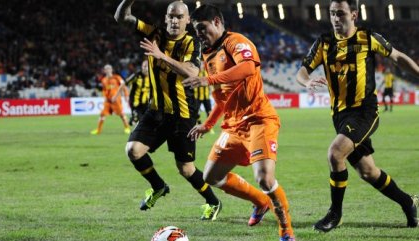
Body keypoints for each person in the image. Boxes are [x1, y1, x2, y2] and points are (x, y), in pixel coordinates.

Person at [296, 0, 418, 233]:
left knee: (335, 153)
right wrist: (307, 81)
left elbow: (398, 57)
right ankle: (408, 202)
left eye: (340, 13)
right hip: (340, 116)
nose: (335, 18)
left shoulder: (368, 37)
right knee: (368, 172)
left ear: (353, 14)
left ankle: (335, 214)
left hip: (364, 111)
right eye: (332, 14)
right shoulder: (323, 42)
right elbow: (302, 71)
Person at [182, 5, 295, 241]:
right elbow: (223, 99)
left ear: (216, 22)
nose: (199, 34)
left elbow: (247, 68)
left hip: (259, 120)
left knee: (264, 177)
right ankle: (261, 202)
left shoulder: (235, 42)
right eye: (196, 30)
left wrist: (208, 79)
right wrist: (208, 124)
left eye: (201, 28)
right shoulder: (208, 55)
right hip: (233, 126)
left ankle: (286, 231)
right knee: (211, 177)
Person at [114, 0, 221, 220]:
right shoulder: (155, 33)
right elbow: (121, 17)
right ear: (165, 18)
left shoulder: (193, 43)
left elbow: (192, 73)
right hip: (155, 111)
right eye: (171, 16)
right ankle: (158, 186)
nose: (174, 20)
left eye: (179, 17)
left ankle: (213, 202)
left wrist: (161, 55)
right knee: (133, 150)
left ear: (187, 20)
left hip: (182, 115)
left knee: (186, 169)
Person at [90, 64, 130, 135]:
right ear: (104, 71)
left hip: (116, 100)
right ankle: (98, 130)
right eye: (106, 69)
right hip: (108, 101)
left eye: (109, 69)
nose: (108, 70)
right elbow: (104, 90)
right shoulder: (103, 80)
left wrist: (126, 95)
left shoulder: (117, 77)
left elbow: (123, 86)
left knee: (121, 114)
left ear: (111, 70)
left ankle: (127, 128)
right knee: (102, 114)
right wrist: (104, 96)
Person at [125, 59, 150, 126]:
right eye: (144, 66)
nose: (146, 68)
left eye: (148, 66)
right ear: (142, 67)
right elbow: (125, 83)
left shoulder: (152, 76)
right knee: (140, 122)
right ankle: (134, 120)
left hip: (146, 103)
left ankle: (132, 120)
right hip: (135, 103)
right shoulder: (136, 75)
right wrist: (125, 95)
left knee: (146, 121)